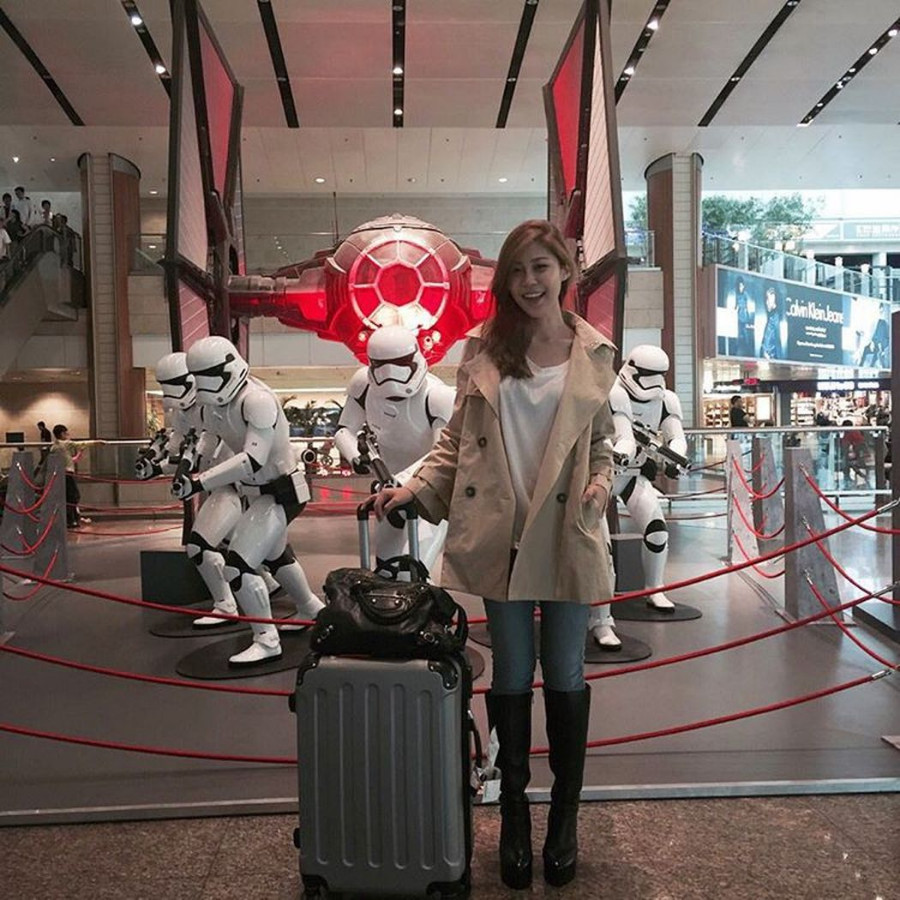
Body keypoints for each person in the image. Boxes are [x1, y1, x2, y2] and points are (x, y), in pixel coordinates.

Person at [372, 219, 617, 890]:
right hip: (502, 534)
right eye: (517, 270)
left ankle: (563, 819)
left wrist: (600, 485)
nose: (529, 281)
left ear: (564, 271)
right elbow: (456, 442)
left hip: (565, 532)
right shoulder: (484, 347)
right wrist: (415, 489)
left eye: (540, 267)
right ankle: (513, 815)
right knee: (511, 672)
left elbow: (602, 443)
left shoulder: (595, 351)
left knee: (565, 671)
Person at [172, 336, 325, 665]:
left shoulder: (257, 400)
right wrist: (188, 464)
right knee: (277, 557)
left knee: (238, 565)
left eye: (209, 376)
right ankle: (311, 608)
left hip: (281, 491)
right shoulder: (215, 403)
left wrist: (199, 481)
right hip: (255, 492)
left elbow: (252, 459)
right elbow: (210, 435)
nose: (204, 385)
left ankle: (267, 640)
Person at [587, 345, 688, 653]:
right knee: (602, 551)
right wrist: (620, 453)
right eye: (647, 375)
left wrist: (675, 458)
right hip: (603, 476)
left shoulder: (666, 400)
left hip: (633, 476)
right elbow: (624, 436)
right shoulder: (613, 393)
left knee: (657, 531)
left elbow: (676, 437)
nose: (653, 382)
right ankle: (601, 620)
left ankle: (654, 588)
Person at [333, 324, 455, 575]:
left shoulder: (438, 397)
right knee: (386, 572)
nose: (390, 373)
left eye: (400, 363)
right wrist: (356, 457)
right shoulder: (363, 386)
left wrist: (403, 482)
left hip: (428, 496)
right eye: (381, 365)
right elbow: (344, 430)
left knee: (414, 573)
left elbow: (442, 455)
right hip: (387, 491)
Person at [50, 424, 88, 528]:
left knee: (71, 496)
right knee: (72, 496)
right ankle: (71, 520)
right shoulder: (63, 444)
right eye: (66, 433)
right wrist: (99, 442)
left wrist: (79, 453)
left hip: (63, 474)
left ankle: (73, 519)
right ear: (62, 434)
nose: (68, 436)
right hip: (67, 474)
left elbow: (71, 460)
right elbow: (82, 443)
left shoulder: (56, 447)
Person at [758, 286, 783, 360]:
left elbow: (775, 340)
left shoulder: (775, 317)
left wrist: (766, 353)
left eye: (768, 298)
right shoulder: (772, 316)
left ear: (773, 298)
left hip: (770, 358)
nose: (766, 302)